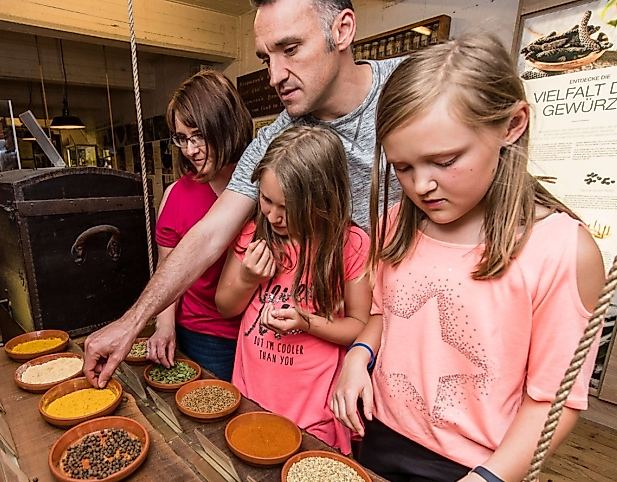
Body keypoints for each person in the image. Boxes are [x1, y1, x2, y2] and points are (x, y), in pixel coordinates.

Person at [329, 34, 606, 482]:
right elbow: (386, 316)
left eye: (444, 160)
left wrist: (493, 481)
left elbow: (553, 399)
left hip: (474, 466)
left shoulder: (559, 250)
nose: (421, 185)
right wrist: (358, 358)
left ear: (511, 125)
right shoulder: (395, 227)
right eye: (404, 168)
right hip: (381, 432)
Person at [84, 0, 401, 387]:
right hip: (341, 351)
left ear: (342, 29)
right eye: (266, 58)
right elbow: (207, 234)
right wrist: (131, 323)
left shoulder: (409, 91)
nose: (275, 75)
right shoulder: (274, 141)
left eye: (290, 49)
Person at [215, 125, 369, 453]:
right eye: (266, 200)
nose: (272, 215)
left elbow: (360, 326)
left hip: (314, 413)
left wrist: (306, 322)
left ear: (322, 199)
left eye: (287, 207)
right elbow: (225, 306)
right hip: (250, 397)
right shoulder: (253, 233)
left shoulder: (351, 246)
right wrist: (247, 280)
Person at [145, 70, 253, 381]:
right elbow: (167, 268)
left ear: (226, 127)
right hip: (201, 335)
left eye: (199, 135)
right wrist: (164, 326)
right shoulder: (175, 195)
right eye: (182, 138)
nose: (190, 150)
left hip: (260, 335)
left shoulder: (265, 188)